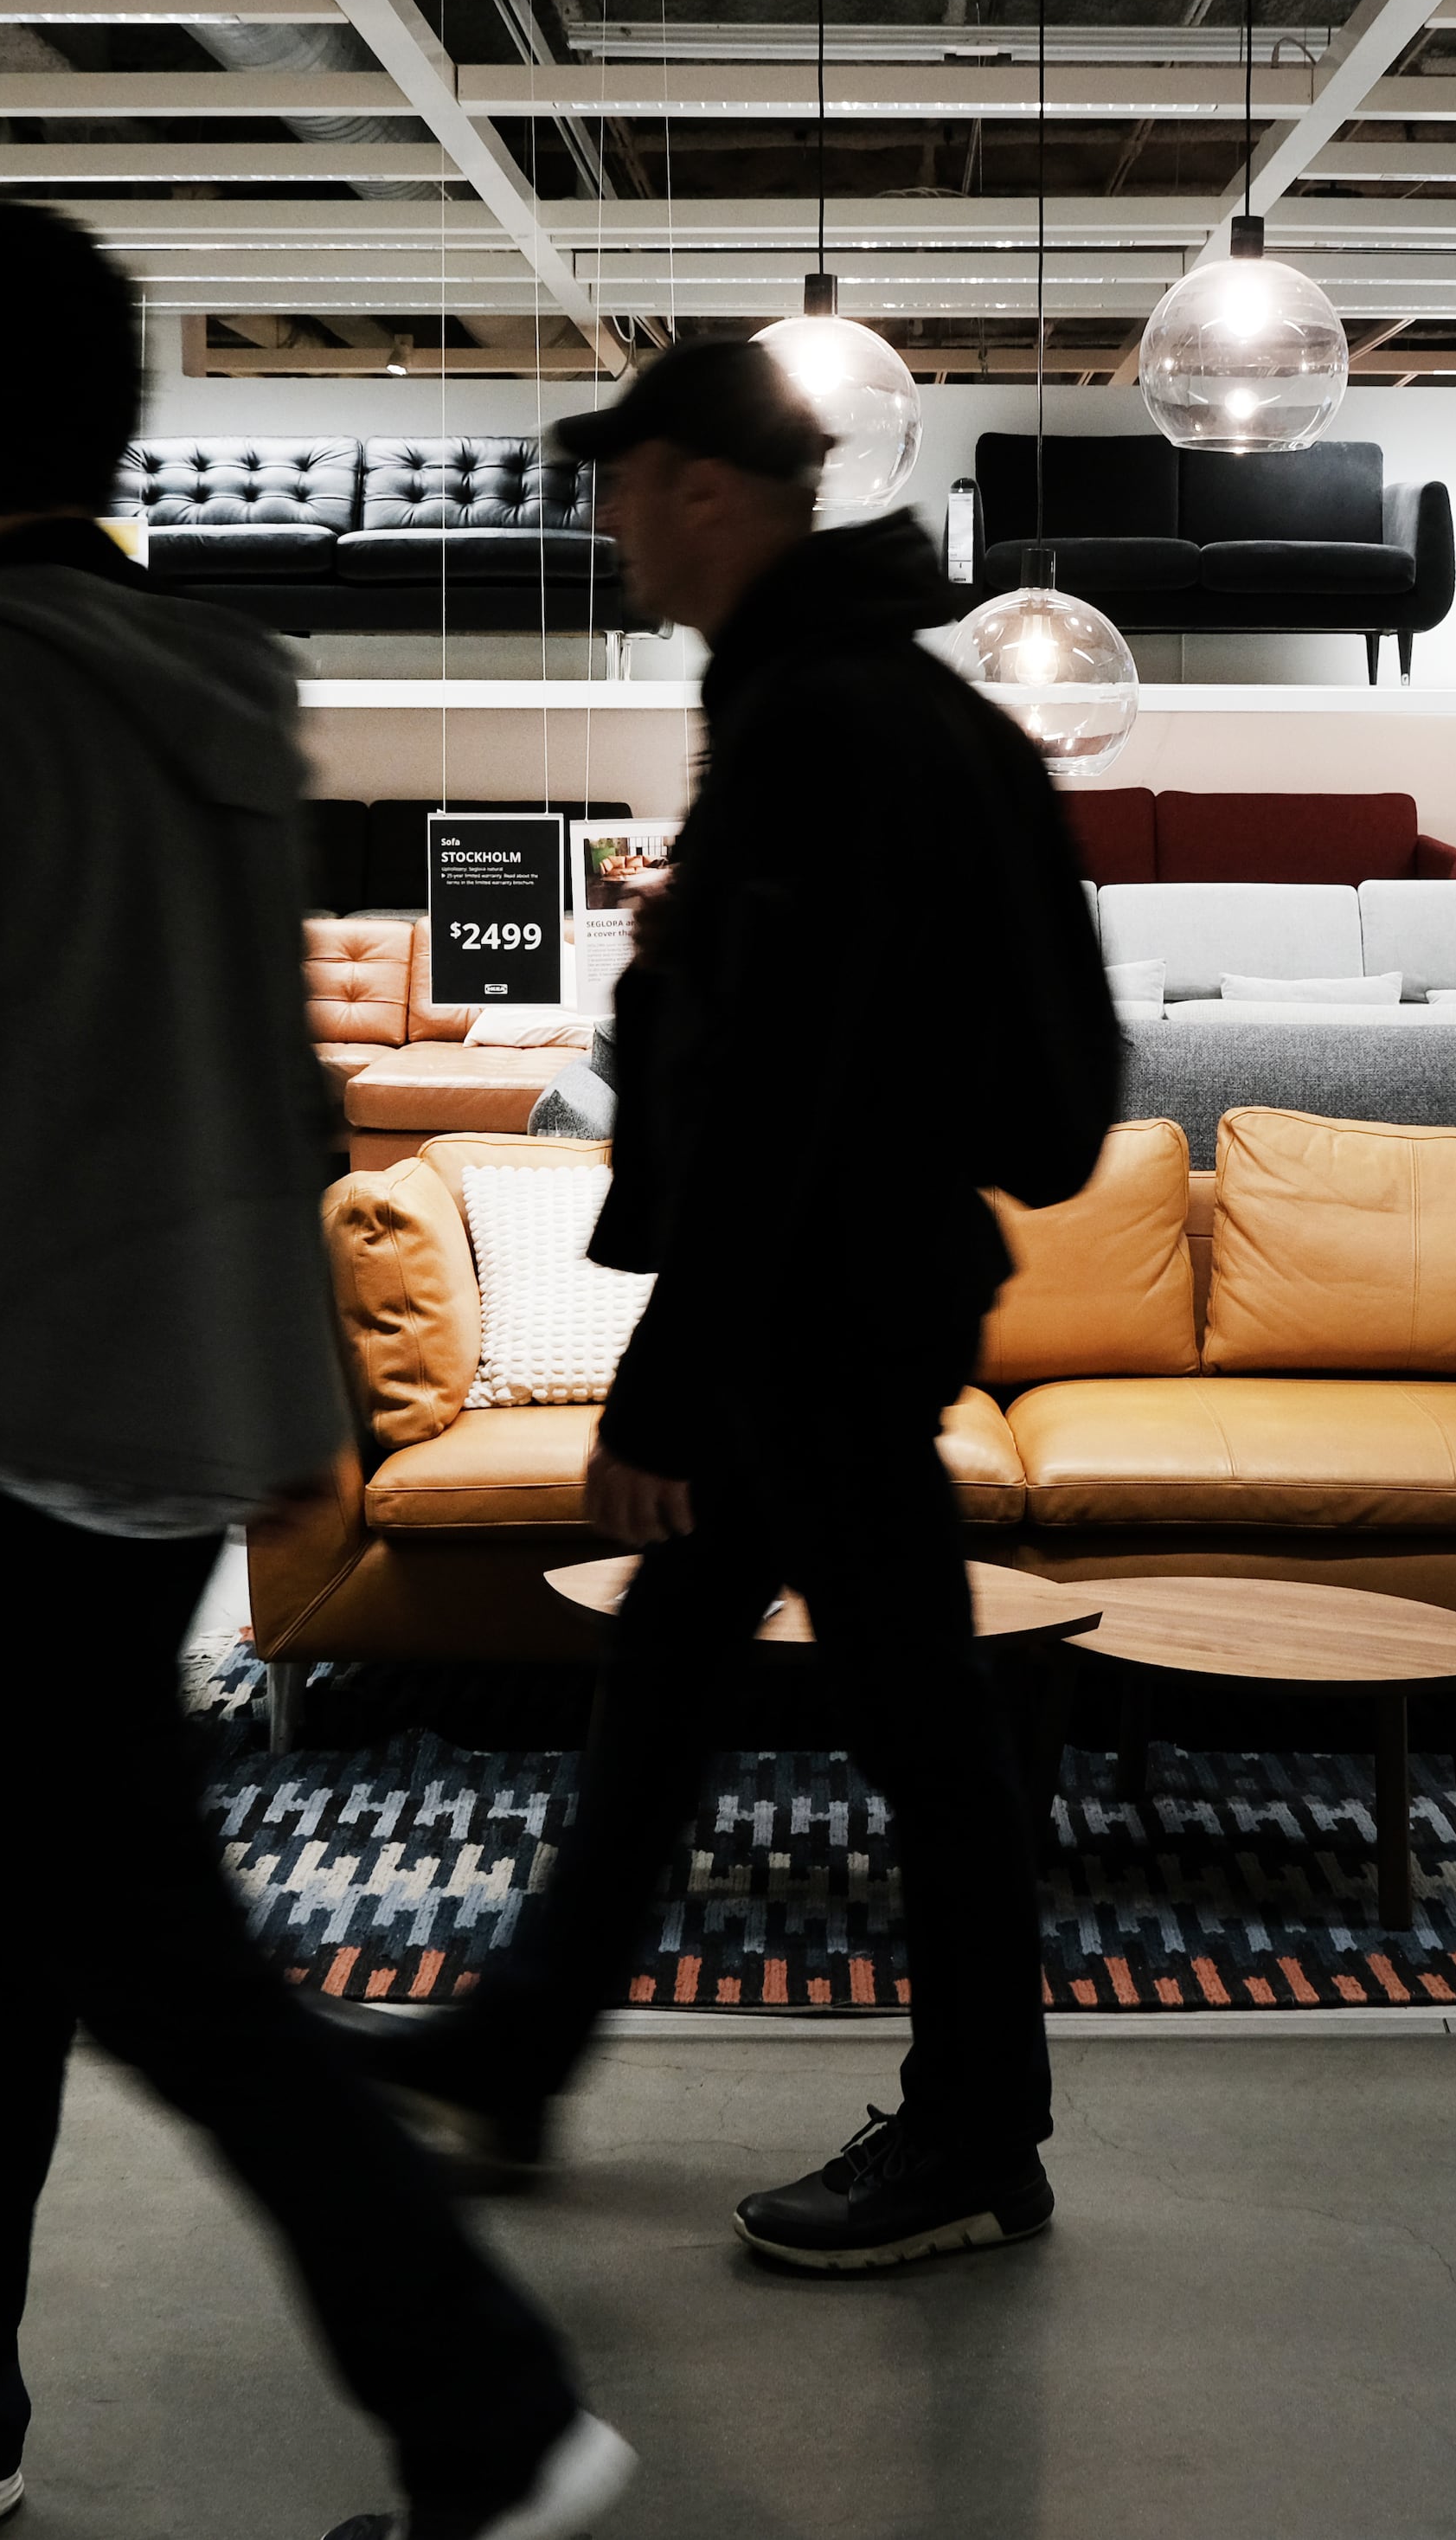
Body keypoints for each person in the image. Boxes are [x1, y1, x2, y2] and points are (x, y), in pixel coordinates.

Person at [0, 203, 630, 2540]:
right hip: (172, 1415)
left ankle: (486, 2406)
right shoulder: (227, 684)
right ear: (119, 428)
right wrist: (298, 1393)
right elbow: (280, 1089)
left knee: (144, 1947)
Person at [344, 339, 1119, 2273]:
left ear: (711, 487)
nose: (607, 518)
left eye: (627, 482)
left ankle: (974, 2134)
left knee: (916, 1717)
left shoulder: (826, 717)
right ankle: (523, 2047)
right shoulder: (830, 695)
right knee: (675, 1679)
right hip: (836, 1285)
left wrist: (667, 1387)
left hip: (828, 1307)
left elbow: (796, 1086)